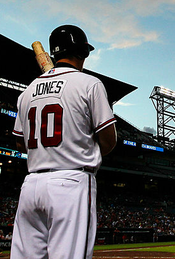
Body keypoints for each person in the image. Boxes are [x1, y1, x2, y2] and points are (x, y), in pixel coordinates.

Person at [11, 25, 117, 259]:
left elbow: (20, 143)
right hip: (71, 182)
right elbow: (109, 140)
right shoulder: (89, 84)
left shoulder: (27, 92)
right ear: (82, 53)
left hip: (31, 187)